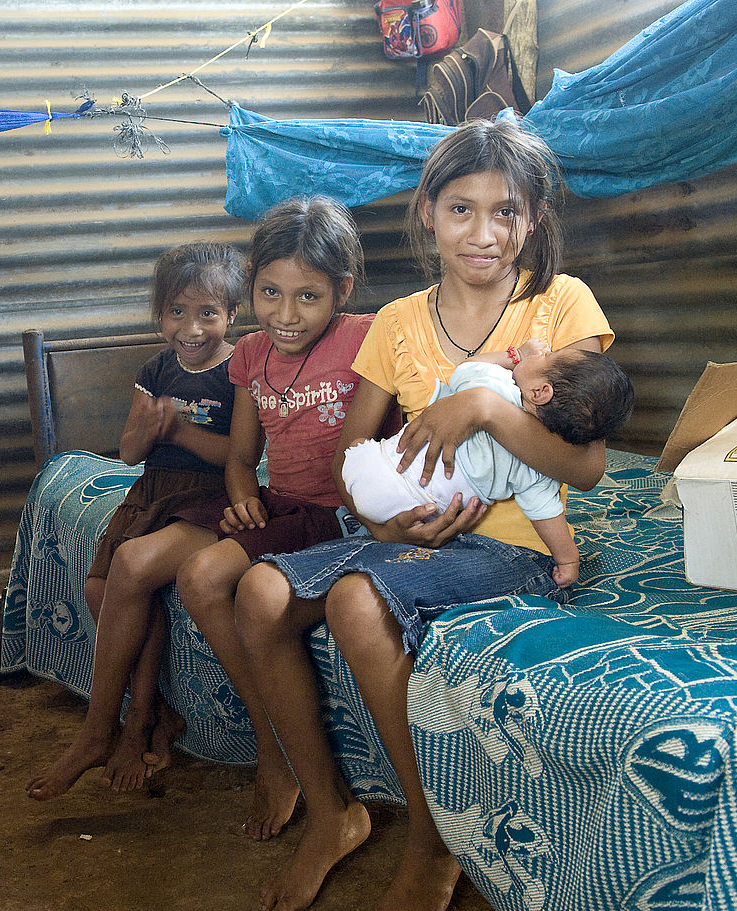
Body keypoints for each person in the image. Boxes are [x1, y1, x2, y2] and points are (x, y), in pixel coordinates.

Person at [233, 117, 615, 911]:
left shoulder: (561, 306)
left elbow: (586, 464)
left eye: (506, 212)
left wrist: (482, 406)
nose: (485, 232)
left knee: (352, 599)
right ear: (428, 213)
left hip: (517, 548)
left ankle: (434, 836)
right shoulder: (400, 322)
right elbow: (349, 458)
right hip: (413, 534)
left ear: (533, 219)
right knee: (259, 594)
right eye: (462, 209)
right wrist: (380, 528)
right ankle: (334, 813)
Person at [173, 195, 378, 841]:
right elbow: (241, 456)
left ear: (341, 291)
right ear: (250, 284)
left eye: (308, 296)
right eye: (269, 292)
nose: (285, 315)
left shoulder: (368, 336)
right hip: (283, 505)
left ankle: (277, 751)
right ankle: (273, 740)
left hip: (339, 513)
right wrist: (242, 493)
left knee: (206, 575)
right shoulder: (250, 354)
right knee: (198, 575)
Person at [26, 241, 245, 799]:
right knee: (101, 590)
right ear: (159, 315)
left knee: (129, 564)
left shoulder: (239, 370)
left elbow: (237, 457)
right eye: (177, 312)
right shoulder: (155, 369)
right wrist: (150, 428)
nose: (191, 328)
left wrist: (179, 430)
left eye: (208, 313)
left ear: (232, 316)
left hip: (209, 496)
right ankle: (152, 718)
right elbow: (126, 454)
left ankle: (105, 730)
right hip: (153, 491)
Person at [342, 337, 633, 586]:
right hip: (427, 513)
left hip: (375, 474)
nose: (543, 353)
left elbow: (466, 368)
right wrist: (568, 560)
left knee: (357, 447)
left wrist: (516, 355)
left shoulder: (493, 383)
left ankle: (360, 464)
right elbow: (547, 514)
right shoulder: (537, 468)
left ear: (541, 392)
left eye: (548, 357)